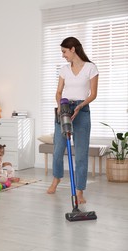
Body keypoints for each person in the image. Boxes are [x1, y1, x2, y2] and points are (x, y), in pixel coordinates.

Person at [47, 37, 99, 204]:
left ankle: (79, 191)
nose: (63, 55)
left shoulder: (91, 68)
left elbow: (93, 94)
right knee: (58, 149)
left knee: (81, 154)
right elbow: (58, 92)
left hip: (82, 110)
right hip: (64, 109)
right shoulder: (64, 69)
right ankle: (56, 179)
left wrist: (80, 106)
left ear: (73, 49)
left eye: (64, 51)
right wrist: (61, 107)